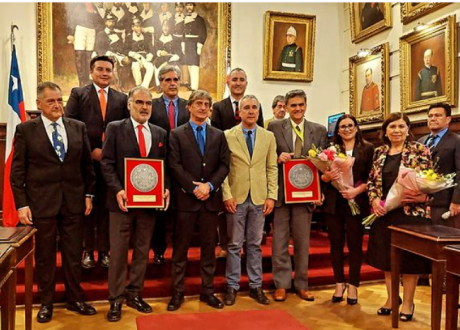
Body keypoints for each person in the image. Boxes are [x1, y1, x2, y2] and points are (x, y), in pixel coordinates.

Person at [10, 82, 97, 323]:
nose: (57, 105)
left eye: (60, 100)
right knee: (46, 256)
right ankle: (46, 303)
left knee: (72, 253)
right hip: (42, 203)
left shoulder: (78, 127)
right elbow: (17, 172)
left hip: (74, 202)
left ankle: (75, 299)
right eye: (51, 101)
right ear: (39, 104)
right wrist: (21, 204)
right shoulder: (26, 130)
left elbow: (87, 167)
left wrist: (89, 195)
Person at [101, 86, 170, 322]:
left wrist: (166, 188)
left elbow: (165, 166)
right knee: (119, 253)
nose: (144, 107)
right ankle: (115, 300)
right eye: (139, 102)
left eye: (148, 103)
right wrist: (118, 190)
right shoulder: (115, 128)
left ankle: (135, 293)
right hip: (122, 203)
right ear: (129, 104)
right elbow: (107, 163)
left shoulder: (160, 133)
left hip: (149, 205)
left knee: (142, 250)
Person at [167, 90, 230, 311]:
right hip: (185, 201)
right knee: (180, 249)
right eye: (198, 104)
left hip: (210, 201)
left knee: (208, 248)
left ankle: (207, 291)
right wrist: (193, 188)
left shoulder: (218, 135)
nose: (203, 107)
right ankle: (177, 293)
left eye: (206, 104)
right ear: (189, 107)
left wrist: (209, 186)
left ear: (210, 109)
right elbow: (174, 165)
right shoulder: (176, 134)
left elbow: (224, 165)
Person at [65, 55, 129, 269]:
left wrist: (109, 153)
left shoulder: (121, 99)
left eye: (108, 70)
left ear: (113, 73)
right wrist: (89, 150)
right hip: (85, 162)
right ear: (91, 72)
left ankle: (104, 250)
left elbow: (124, 130)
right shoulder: (78, 94)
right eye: (100, 69)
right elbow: (70, 124)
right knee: (88, 207)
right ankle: (87, 250)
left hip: (111, 164)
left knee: (106, 208)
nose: (104, 73)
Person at [367, 112, 432, 321]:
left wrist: (418, 195)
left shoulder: (420, 150)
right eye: (392, 126)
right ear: (385, 131)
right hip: (385, 213)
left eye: (401, 126)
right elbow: (372, 182)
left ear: (408, 129)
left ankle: (408, 303)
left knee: (409, 261)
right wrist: (375, 201)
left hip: (411, 214)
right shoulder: (378, 153)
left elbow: (429, 180)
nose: (397, 130)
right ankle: (391, 299)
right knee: (387, 259)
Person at [267, 89, 327, 302]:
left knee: (303, 242)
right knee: (280, 241)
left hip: (306, 195)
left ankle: (302, 284)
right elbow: (266, 156)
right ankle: (281, 284)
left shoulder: (318, 131)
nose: (298, 109)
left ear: (306, 106)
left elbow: (325, 164)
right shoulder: (274, 127)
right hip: (282, 195)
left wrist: (320, 192)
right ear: (286, 107)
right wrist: (277, 157)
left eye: (301, 104)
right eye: (293, 105)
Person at [222, 95, 278, 306]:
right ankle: (232, 286)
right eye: (247, 107)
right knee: (234, 244)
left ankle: (256, 286)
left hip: (259, 198)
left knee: (254, 245)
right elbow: (223, 169)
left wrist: (271, 195)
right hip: (235, 197)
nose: (251, 111)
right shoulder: (228, 135)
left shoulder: (268, 136)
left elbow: (272, 168)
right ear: (240, 112)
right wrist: (226, 194)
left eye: (255, 107)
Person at [321, 114, 374, 305]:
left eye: (350, 125)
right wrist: (327, 177)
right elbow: (323, 179)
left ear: (357, 128)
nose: (346, 129)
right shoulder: (331, 150)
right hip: (334, 203)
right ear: (337, 131)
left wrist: (357, 190)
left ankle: (353, 285)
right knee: (335, 244)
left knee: (354, 246)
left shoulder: (367, 149)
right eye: (342, 127)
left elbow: (374, 177)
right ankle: (339, 283)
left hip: (357, 202)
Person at [211, 68, 265, 257]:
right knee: (227, 206)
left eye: (242, 79)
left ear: (246, 83)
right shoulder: (218, 107)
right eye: (234, 79)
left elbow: (261, 132)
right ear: (227, 82)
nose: (238, 83)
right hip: (228, 161)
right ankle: (225, 244)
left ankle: (245, 244)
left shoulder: (256, 105)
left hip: (249, 162)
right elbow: (216, 135)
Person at [149, 65, 190, 265]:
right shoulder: (152, 105)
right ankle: (158, 251)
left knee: (180, 210)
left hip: (183, 164)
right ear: (160, 83)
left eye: (175, 79)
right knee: (159, 211)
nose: (172, 83)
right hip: (158, 164)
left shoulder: (188, 106)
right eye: (167, 80)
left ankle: (179, 250)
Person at [419, 103, 460, 228]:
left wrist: (456, 202)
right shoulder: (420, 141)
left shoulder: (457, 141)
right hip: (420, 204)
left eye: (438, 115)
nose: (433, 118)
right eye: (430, 116)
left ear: (448, 119)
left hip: (445, 204)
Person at [66, 3, 106, 86]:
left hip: (92, 31)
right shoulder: (78, 5)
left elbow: (100, 21)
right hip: (81, 29)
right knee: (80, 55)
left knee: (89, 56)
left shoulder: (94, 6)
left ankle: (87, 79)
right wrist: (71, 33)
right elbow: (72, 18)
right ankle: (82, 80)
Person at [182, 2, 207, 90]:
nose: (189, 7)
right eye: (187, 5)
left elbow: (203, 33)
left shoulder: (199, 19)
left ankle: (195, 88)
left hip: (195, 43)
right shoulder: (184, 18)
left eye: (191, 5)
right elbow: (183, 33)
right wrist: (183, 43)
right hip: (187, 43)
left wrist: (199, 44)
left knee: (194, 66)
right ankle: (192, 86)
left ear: (194, 6)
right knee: (189, 64)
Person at [126, 18, 154, 88]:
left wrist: (150, 54)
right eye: (137, 26)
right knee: (135, 66)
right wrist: (132, 54)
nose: (139, 28)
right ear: (132, 27)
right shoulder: (129, 37)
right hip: (135, 57)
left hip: (145, 56)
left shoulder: (146, 36)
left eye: (140, 26)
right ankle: (138, 85)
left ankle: (144, 86)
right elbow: (125, 50)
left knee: (150, 67)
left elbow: (151, 48)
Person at [153, 21, 182, 88]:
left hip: (172, 58)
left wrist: (171, 59)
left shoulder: (174, 39)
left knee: (176, 68)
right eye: (164, 26)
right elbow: (155, 50)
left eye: (167, 26)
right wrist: (160, 52)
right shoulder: (158, 38)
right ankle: (158, 86)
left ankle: (174, 85)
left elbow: (179, 52)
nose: (165, 28)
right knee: (157, 65)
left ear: (169, 28)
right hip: (161, 58)